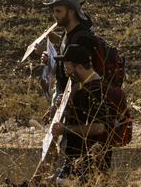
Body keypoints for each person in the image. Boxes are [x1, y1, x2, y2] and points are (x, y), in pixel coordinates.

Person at [50, 44, 114, 184]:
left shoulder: (94, 91)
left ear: (79, 67)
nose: (66, 73)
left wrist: (64, 129)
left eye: (68, 68)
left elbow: (99, 127)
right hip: (77, 162)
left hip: (87, 164)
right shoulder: (84, 87)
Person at [43, 0, 102, 101]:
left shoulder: (82, 38)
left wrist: (66, 103)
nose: (54, 15)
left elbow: (81, 75)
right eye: (54, 11)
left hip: (76, 102)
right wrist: (51, 59)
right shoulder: (69, 30)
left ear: (71, 11)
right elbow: (68, 56)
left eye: (58, 11)